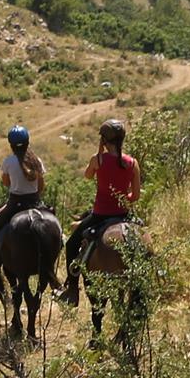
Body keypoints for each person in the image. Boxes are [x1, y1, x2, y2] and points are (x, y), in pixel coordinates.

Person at [65, 119, 139, 292]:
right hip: (124, 214)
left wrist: (99, 153)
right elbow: (135, 196)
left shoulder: (97, 159)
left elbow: (88, 176)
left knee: (71, 244)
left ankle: (72, 289)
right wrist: (123, 197)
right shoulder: (133, 163)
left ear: (103, 140)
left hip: (100, 215)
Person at [0, 125, 45, 244]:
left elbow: (6, 183)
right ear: (27, 142)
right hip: (35, 202)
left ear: (11, 145)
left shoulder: (8, 161)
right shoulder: (36, 161)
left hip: (15, 203)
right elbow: (41, 185)